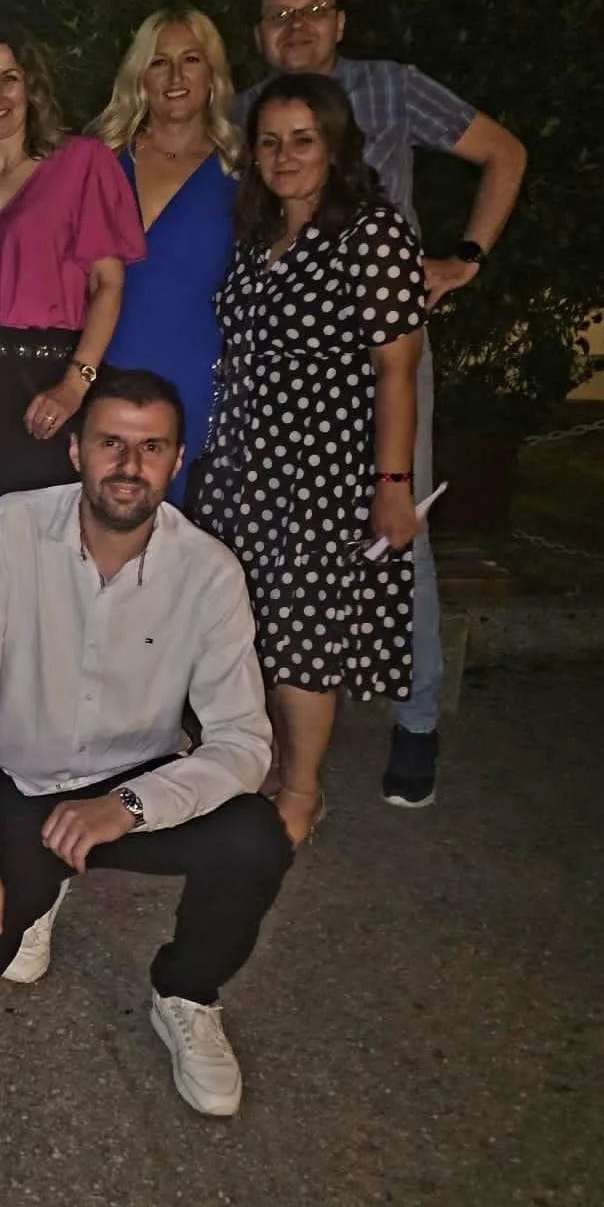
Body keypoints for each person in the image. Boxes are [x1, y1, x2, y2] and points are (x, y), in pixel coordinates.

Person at [0, 369, 291, 1118]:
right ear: (76, 449)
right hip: (21, 787)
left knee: (256, 838)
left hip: (133, 790)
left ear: (177, 460)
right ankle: (43, 882)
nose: (129, 465)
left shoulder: (209, 572)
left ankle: (187, 993)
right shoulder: (11, 528)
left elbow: (244, 741)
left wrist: (130, 805)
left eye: (152, 448)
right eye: (111, 442)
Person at [242, 0, 528, 808]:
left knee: (398, 529)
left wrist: (465, 258)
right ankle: (272, 722)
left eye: (314, 9)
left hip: (378, 357)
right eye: (279, 15)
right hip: (285, 368)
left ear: (340, 21)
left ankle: (416, 721)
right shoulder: (248, 109)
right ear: (259, 35)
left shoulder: (393, 89)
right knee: (282, 544)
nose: (297, 26)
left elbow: (504, 153)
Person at [193, 74, 427, 847]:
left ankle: (302, 787)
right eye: (269, 141)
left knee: (303, 633)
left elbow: (397, 369)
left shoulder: (372, 233)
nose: (284, 155)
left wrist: (393, 485)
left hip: (320, 472)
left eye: (302, 139)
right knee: (244, 626)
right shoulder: (257, 234)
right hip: (242, 465)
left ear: (335, 146)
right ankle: (256, 765)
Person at [0, 23, 147, 587]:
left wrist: (76, 383)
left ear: (31, 87)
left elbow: (109, 284)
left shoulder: (82, 163)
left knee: (50, 564)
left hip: (49, 382)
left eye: (9, 78)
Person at [91, 8, 243, 503]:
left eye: (191, 60)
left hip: (195, 380)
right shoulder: (99, 162)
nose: (176, 76)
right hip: (98, 374)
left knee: (178, 531)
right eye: (159, 62)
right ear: (140, 76)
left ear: (212, 74)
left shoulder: (244, 171)